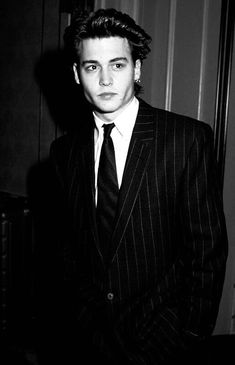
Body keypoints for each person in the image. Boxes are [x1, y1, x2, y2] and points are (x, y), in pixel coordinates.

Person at [49, 7, 228, 365]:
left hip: (162, 338)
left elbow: (206, 249)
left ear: (137, 68)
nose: (104, 81)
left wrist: (190, 334)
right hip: (88, 339)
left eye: (117, 65)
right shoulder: (64, 152)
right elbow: (68, 246)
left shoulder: (186, 139)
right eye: (91, 67)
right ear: (76, 73)